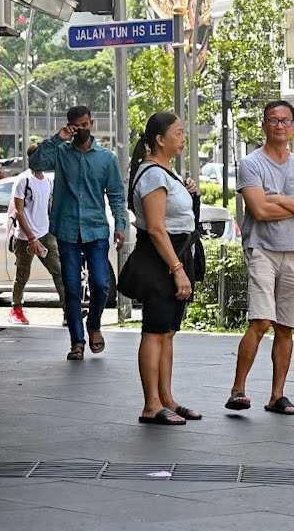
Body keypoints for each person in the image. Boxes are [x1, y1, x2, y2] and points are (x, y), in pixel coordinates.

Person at [226, 100, 294, 416]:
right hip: (262, 249)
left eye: (285, 120)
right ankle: (238, 390)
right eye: (273, 120)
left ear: (292, 126)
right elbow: (260, 211)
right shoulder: (251, 164)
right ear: (264, 125)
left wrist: (281, 199)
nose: (279, 125)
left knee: (285, 326)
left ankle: (277, 395)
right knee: (261, 321)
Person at [29, 105, 127, 362]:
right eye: (76, 126)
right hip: (67, 229)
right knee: (71, 288)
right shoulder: (61, 153)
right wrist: (57, 137)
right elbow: (35, 162)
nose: (82, 129)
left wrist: (121, 225)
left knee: (102, 284)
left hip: (96, 229)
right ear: (70, 126)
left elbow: (117, 195)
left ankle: (94, 324)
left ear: (91, 123)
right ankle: (77, 341)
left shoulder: (106, 159)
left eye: (85, 124)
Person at [127, 112, 201, 426]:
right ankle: (151, 404)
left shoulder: (165, 172)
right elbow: (157, 228)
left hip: (174, 256)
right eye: (179, 133)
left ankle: (167, 398)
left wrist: (190, 193)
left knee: (168, 333)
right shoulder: (153, 175)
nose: (183, 138)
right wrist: (177, 268)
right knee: (155, 332)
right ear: (160, 139)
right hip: (161, 260)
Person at [9, 143, 65, 327]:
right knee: (22, 275)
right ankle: (16, 309)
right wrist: (31, 238)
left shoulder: (47, 181)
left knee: (58, 271)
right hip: (26, 238)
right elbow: (19, 212)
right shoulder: (22, 180)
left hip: (45, 235)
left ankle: (68, 312)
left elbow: (48, 208)